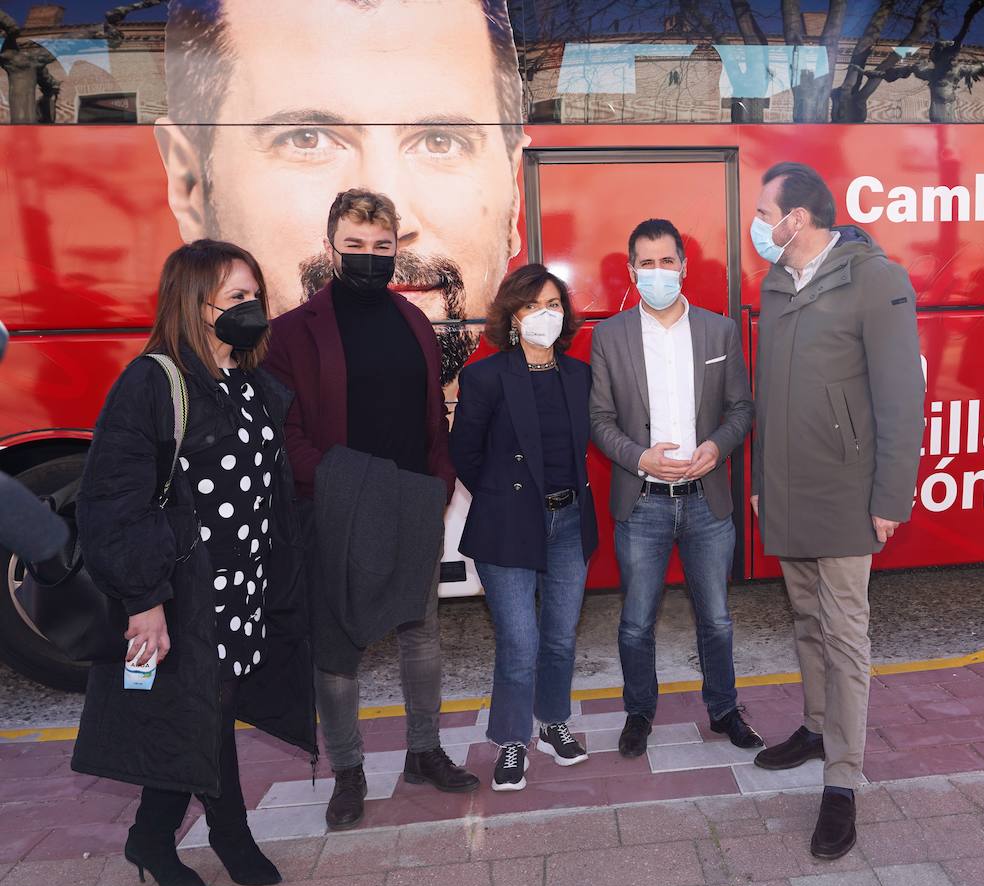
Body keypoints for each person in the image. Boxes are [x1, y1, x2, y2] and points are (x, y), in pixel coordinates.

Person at [71, 240, 315, 886]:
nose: (253, 308)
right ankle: (222, 835)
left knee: (206, 710)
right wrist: (143, 598)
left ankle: (154, 836)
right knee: (200, 710)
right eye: (236, 297)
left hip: (244, 587)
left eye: (256, 294)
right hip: (184, 590)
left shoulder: (248, 380)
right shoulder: (153, 382)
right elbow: (111, 502)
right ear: (195, 304)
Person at [158, 0, 529, 386]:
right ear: (190, 185)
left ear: (514, 196)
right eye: (307, 139)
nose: (391, 222)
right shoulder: (171, 391)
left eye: (440, 142)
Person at [264, 189, 475, 831]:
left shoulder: (414, 321)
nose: (369, 259)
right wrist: (341, 485)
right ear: (331, 248)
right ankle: (348, 772)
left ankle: (423, 752)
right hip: (339, 505)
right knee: (338, 647)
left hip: (412, 498)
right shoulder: (291, 333)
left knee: (422, 634)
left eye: (381, 248)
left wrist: (438, 480)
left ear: (395, 249)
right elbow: (288, 437)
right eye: (355, 246)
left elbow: (431, 415)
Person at [748, 162, 923, 860]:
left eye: (765, 212)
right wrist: (761, 478)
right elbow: (767, 396)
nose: (759, 224)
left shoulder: (873, 278)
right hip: (787, 490)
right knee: (805, 618)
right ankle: (817, 726)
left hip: (848, 491)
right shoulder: (775, 282)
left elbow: (900, 397)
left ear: (798, 218)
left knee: (847, 635)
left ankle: (842, 782)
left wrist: (890, 496)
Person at [589, 218, 761, 758]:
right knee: (637, 621)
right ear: (631, 270)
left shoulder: (720, 331)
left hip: (708, 502)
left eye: (668, 262)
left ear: (683, 266)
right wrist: (639, 457)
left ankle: (725, 709)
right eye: (647, 263)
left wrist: (717, 447)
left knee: (717, 618)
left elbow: (741, 408)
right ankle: (639, 713)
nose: (658, 272)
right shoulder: (610, 337)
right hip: (642, 504)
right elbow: (599, 419)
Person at [449, 264, 598, 791]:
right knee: (519, 641)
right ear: (512, 316)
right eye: (532, 305)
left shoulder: (578, 376)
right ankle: (512, 742)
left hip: (569, 520)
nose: (544, 315)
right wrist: (501, 499)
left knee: (558, 637)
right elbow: (464, 452)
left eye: (554, 305)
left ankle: (553, 723)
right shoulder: (486, 376)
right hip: (509, 525)